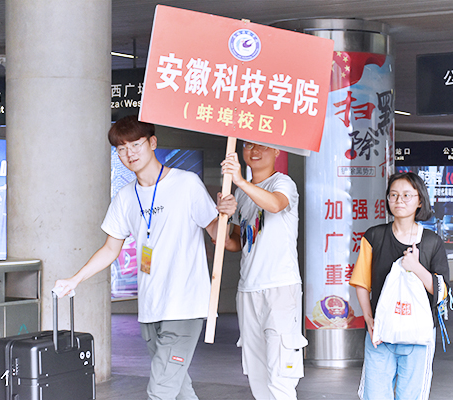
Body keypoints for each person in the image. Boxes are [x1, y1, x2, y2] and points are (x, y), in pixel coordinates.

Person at [54, 115, 237, 400]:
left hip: (184, 306)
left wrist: (226, 213)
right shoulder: (125, 198)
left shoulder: (186, 184)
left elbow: (218, 233)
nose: (129, 153)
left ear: (152, 143)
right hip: (151, 307)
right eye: (122, 148)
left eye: (135, 144)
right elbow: (110, 249)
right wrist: (75, 279)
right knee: (178, 389)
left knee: (160, 391)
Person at [349, 172, 450, 400]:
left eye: (406, 195)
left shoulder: (432, 242)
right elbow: (362, 283)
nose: (399, 201)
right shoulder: (374, 236)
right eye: (393, 195)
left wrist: (416, 267)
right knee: (374, 395)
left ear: (420, 201)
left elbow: (442, 291)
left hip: (418, 336)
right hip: (380, 332)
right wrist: (369, 319)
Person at [220, 142, 306, 400]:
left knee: (281, 374)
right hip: (248, 290)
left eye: (263, 146)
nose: (255, 151)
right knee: (256, 373)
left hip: (280, 288)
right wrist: (224, 218)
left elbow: (276, 205)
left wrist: (240, 181)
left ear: (277, 151)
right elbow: (236, 243)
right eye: (249, 145)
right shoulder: (240, 193)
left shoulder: (283, 183)